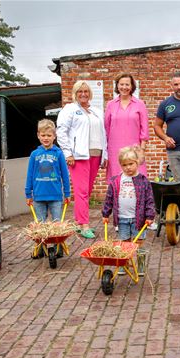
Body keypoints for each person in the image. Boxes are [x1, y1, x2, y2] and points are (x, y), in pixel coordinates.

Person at [57, 80, 107, 239]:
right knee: (82, 191)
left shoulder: (97, 111)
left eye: (86, 91)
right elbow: (61, 131)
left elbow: (104, 134)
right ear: (75, 93)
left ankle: (79, 222)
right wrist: (68, 153)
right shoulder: (70, 109)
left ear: (90, 93)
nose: (83, 94)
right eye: (80, 91)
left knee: (87, 191)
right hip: (78, 156)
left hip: (95, 154)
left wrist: (104, 155)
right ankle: (84, 225)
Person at [102, 146, 156, 276]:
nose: (128, 168)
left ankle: (141, 265)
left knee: (139, 243)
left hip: (139, 219)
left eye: (131, 164)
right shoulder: (116, 181)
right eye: (124, 165)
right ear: (121, 165)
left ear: (137, 162)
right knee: (124, 242)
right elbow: (109, 198)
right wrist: (106, 213)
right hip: (122, 218)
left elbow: (149, 200)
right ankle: (123, 264)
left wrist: (150, 216)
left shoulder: (143, 181)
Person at [104, 73, 150, 181]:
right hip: (114, 149)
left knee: (137, 181)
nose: (124, 87)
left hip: (135, 149)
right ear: (117, 86)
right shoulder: (110, 104)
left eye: (127, 84)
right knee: (116, 181)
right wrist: (105, 153)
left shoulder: (140, 104)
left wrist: (142, 150)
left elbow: (145, 129)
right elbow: (106, 129)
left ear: (132, 86)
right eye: (121, 84)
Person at [25, 119, 71, 222]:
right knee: (41, 225)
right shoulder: (34, 154)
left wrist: (67, 193)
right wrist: (28, 193)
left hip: (56, 195)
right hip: (38, 195)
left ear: (54, 136)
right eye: (43, 135)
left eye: (49, 135)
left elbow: (65, 175)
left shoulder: (59, 154)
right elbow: (30, 175)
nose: (46, 138)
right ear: (38, 135)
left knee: (56, 224)